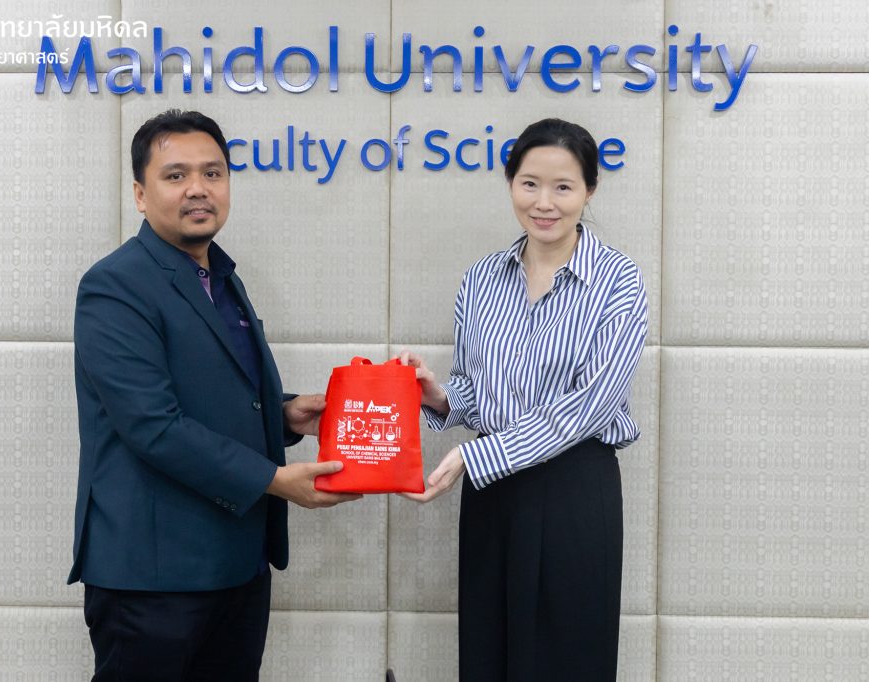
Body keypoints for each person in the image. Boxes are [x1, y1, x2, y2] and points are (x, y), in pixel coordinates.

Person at [69, 109, 361, 681]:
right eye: (176, 175)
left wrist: (284, 416)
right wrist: (275, 480)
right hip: (153, 576)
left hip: (237, 565)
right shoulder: (115, 285)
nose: (198, 188)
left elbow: (215, 390)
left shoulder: (220, 276)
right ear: (140, 194)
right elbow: (153, 425)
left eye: (213, 173)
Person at [399, 118, 648, 681]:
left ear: (590, 190)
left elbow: (591, 405)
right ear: (510, 182)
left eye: (563, 187)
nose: (544, 203)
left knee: (568, 659)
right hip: (494, 497)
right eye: (529, 183)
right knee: (489, 654)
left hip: (573, 492)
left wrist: (476, 456)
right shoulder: (482, 279)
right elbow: (475, 389)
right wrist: (438, 397)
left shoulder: (619, 281)